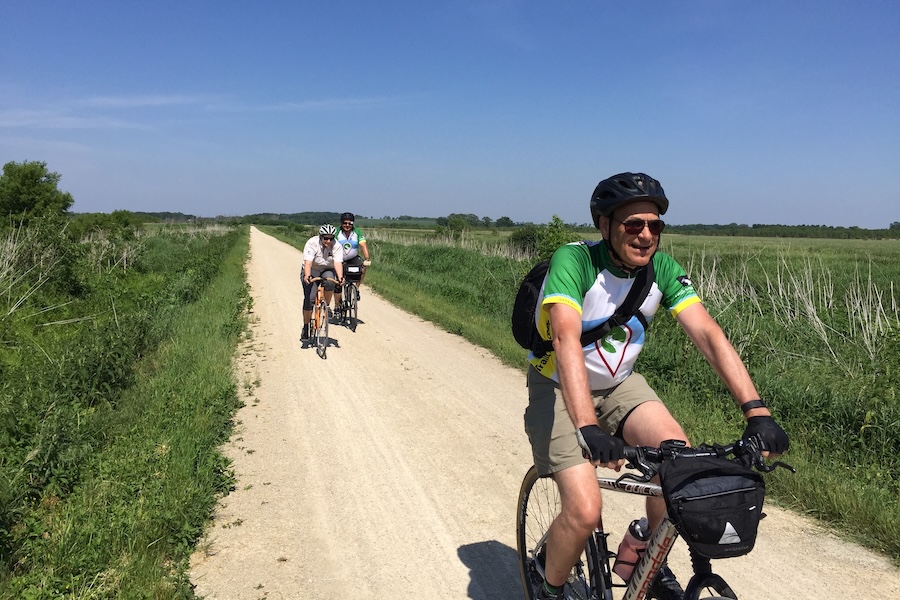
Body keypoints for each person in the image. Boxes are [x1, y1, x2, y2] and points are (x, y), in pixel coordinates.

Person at [524, 172, 789, 600]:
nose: (646, 235)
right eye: (633, 224)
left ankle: (641, 552)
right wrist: (588, 427)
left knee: (679, 469)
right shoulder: (574, 261)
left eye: (654, 225)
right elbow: (565, 338)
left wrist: (757, 411)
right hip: (556, 385)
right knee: (585, 510)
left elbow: (708, 335)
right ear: (605, 225)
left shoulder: (661, 270)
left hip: (620, 385)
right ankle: (547, 584)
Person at [300, 224, 344, 341]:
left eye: (331, 238)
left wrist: (340, 277)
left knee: (330, 282)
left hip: (327, 269)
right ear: (320, 237)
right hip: (312, 270)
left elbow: (338, 263)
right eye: (326, 238)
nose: (328, 241)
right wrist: (307, 276)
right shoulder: (312, 243)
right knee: (309, 299)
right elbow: (308, 262)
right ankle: (306, 326)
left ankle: (326, 306)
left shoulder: (337, 246)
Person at [333, 212, 371, 314]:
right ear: (341, 223)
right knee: (338, 282)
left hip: (353, 258)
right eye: (345, 223)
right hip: (339, 259)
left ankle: (356, 288)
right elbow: (331, 244)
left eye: (350, 223)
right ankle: (336, 305)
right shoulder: (337, 232)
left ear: (353, 223)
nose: (347, 225)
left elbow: (363, 245)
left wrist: (367, 258)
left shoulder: (357, 232)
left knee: (362, 267)